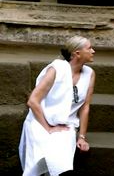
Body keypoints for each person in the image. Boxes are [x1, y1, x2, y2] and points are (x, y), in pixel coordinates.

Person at [18, 35, 96, 176]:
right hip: (40, 121)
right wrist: (48, 127)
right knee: (40, 155)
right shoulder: (56, 69)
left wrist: (82, 137)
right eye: (89, 48)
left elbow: (85, 107)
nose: (93, 51)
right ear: (77, 53)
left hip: (66, 124)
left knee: (61, 156)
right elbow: (32, 101)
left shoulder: (89, 74)